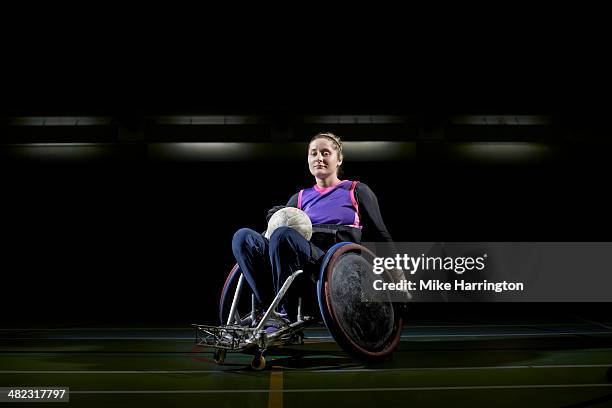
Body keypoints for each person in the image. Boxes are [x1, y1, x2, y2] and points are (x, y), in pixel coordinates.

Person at [231, 132, 394, 323]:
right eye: (314, 153)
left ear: (339, 159)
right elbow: (272, 239)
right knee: (243, 237)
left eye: (325, 153)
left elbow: (381, 234)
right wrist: (274, 218)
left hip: (333, 262)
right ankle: (270, 309)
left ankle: (281, 311)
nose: (319, 158)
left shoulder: (356, 190)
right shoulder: (299, 197)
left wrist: (397, 276)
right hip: (300, 262)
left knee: (284, 235)